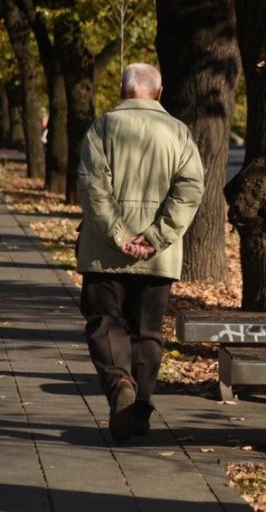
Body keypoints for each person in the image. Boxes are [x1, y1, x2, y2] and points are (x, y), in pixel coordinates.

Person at [76, 63, 204, 442]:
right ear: (160, 92)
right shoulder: (179, 132)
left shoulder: (102, 128)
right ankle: (139, 409)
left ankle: (120, 387)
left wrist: (119, 236)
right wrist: (154, 238)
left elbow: (91, 187)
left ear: (122, 89)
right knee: (148, 333)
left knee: (105, 322)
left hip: (104, 250)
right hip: (157, 257)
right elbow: (191, 189)